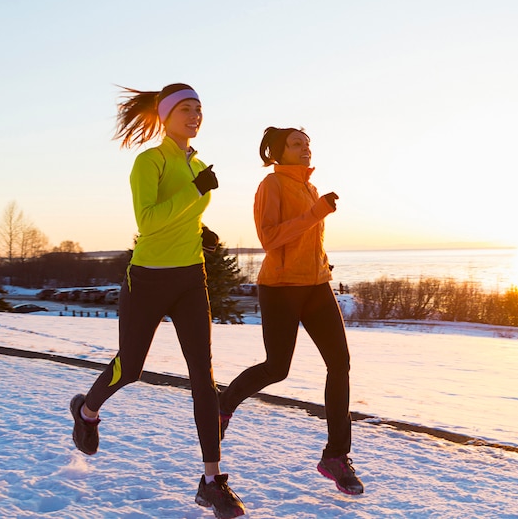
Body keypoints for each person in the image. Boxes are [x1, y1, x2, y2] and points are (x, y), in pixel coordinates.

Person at [68, 83, 245, 519]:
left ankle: (211, 482)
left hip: (190, 278)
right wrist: (195, 192)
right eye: (186, 108)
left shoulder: (197, 163)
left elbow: (181, 216)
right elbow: (147, 222)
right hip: (147, 279)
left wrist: (202, 231)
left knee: (203, 379)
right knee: (130, 368)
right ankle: (87, 411)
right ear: (165, 116)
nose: (195, 115)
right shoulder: (149, 161)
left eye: (200, 109)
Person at [219, 127, 364, 495]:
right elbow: (270, 238)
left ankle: (335, 456)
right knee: (277, 368)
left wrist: (323, 263)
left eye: (308, 144)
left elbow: (308, 240)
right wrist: (316, 214)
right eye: (297, 144)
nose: (306, 149)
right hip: (281, 288)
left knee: (340, 364)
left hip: (317, 286)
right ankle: (225, 403)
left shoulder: (309, 187)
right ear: (278, 151)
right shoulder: (272, 185)